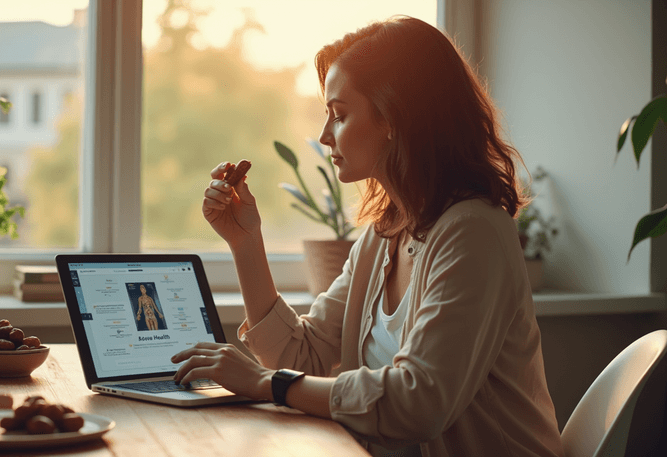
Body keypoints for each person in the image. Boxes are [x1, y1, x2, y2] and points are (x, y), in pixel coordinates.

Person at [171, 15, 564, 457]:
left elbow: (419, 401)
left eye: (339, 115)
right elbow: (302, 357)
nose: (323, 136)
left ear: (396, 117)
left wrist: (264, 384)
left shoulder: (473, 232)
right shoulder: (385, 236)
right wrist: (246, 243)